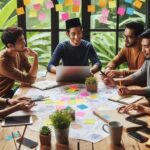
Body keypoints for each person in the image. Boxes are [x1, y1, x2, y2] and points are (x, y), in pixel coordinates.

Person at [102, 29, 150, 101]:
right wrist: (115, 81)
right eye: (142, 46)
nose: (143, 50)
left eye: (146, 46)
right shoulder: (148, 60)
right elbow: (136, 76)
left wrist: (130, 91)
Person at [0, 27, 38, 98]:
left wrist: (28, 79)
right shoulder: (3, 62)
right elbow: (30, 80)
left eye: (23, 39)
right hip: (3, 98)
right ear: (10, 45)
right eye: (20, 40)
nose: (24, 42)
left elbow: (30, 71)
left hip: (10, 92)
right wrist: (35, 56)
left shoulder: (19, 52)